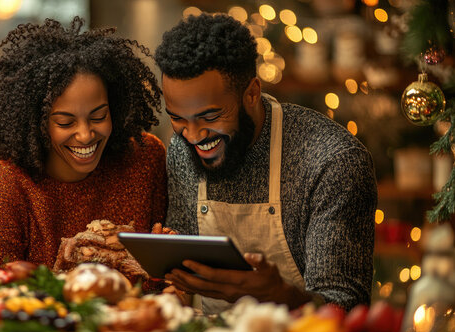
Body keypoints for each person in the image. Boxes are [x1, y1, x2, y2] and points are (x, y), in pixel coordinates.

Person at [156, 14, 377, 313]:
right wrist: (171, 292)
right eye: (178, 118)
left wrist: (278, 295)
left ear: (251, 93)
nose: (193, 136)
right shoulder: (182, 150)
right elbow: (182, 274)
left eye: (209, 117)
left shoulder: (331, 161)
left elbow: (346, 308)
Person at [0, 17, 167, 276]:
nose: (85, 135)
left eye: (98, 117)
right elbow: (0, 297)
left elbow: (164, 283)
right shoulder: (0, 186)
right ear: (35, 122)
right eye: (65, 122)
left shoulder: (144, 159)